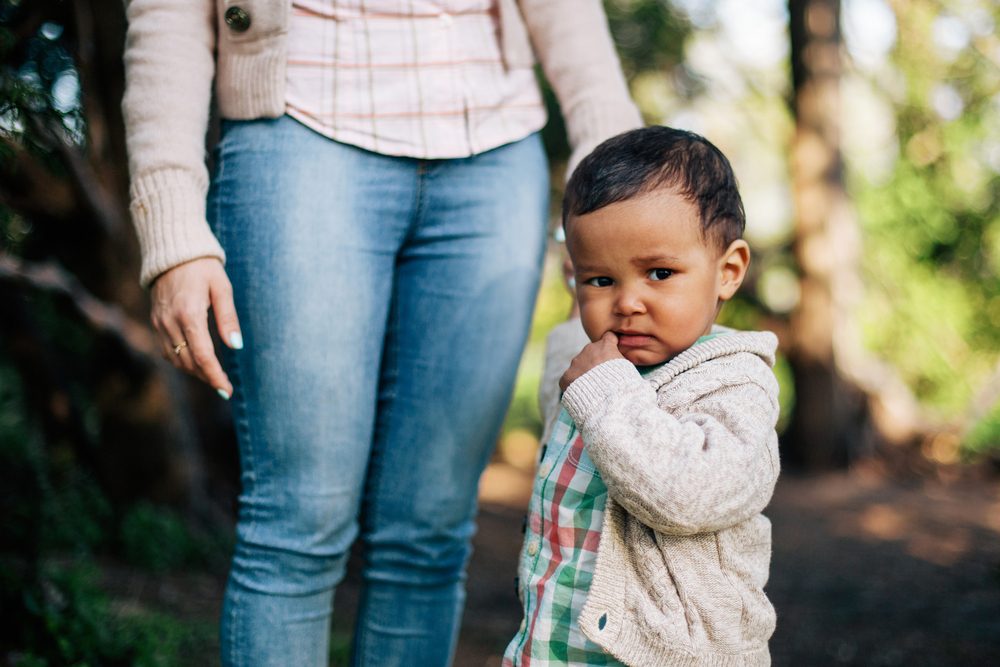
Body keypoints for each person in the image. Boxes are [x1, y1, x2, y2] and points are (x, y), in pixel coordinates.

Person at [120, 1, 641, 665]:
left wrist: (619, 195)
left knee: (429, 535)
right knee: (298, 524)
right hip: (298, 129)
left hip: (495, 152)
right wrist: (173, 230)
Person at [504, 126, 781, 666]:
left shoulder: (735, 381)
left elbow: (690, 495)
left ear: (728, 272)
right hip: (556, 646)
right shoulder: (588, 362)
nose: (627, 301)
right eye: (600, 280)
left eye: (660, 273)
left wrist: (605, 390)